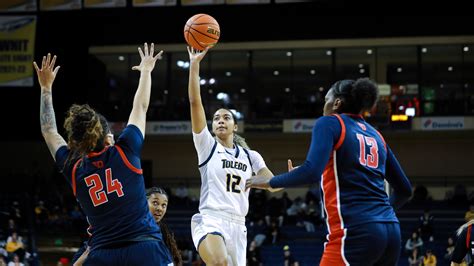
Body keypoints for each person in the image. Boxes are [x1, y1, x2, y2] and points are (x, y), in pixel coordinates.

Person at [246, 78, 413, 265]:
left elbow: (311, 172)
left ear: (337, 103)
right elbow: (405, 189)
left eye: (326, 99)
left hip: (355, 230)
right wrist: (379, 216)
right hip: (391, 231)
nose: (323, 105)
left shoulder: (329, 123)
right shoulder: (376, 135)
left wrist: (270, 182)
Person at [34, 44, 173, 265]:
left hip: (103, 255)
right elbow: (141, 106)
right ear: (108, 138)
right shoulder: (125, 150)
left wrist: (45, 87)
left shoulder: (75, 167)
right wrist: (146, 71)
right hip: (144, 247)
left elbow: (49, 130)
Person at [187, 47, 281, 266]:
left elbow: (273, 183)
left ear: (235, 126)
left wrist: (292, 178)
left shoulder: (251, 156)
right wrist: (194, 65)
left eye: (226, 117)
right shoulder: (206, 146)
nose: (220, 120)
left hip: (239, 224)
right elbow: (195, 103)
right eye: (216, 118)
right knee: (219, 262)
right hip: (211, 218)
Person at [72, 187, 182, 266]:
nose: (159, 208)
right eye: (155, 203)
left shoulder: (162, 232)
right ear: (142, 203)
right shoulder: (126, 222)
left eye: (164, 205)